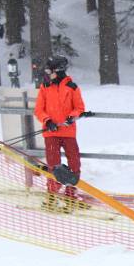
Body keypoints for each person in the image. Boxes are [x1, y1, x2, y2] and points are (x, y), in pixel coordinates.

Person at [33, 55, 85, 212]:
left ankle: (71, 195)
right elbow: (39, 109)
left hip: (68, 132)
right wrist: (47, 121)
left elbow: (79, 108)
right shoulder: (45, 86)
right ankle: (52, 195)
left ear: (59, 70)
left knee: (74, 161)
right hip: (51, 133)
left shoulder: (72, 87)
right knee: (53, 164)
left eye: (50, 70)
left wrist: (71, 117)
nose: (48, 73)